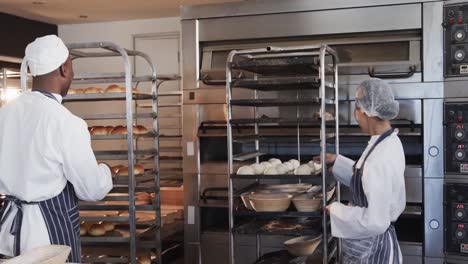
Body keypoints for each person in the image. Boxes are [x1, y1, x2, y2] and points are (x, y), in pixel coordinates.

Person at [0, 35, 113, 262]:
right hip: (49, 236)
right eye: (71, 67)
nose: (72, 75)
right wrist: (105, 170)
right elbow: (91, 190)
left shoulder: (5, 113)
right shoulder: (66, 122)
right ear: (64, 68)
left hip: (9, 230)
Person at [314, 78, 406, 263]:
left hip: (371, 249)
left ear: (365, 111)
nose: (355, 114)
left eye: (356, 107)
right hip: (369, 245)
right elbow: (368, 179)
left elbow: (374, 221)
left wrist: (336, 210)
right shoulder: (386, 141)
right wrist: (336, 161)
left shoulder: (381, 157)